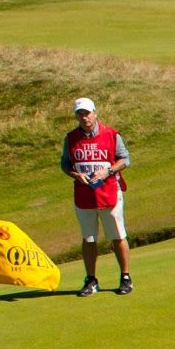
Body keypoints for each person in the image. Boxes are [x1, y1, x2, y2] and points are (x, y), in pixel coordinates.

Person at [61, 97, 133, 296]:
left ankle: (125, 277)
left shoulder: (110, 134)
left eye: (87, 113)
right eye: (80, 114)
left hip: (109, 192)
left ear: (95, 112)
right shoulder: (71, 138)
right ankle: (91, 280)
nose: (84, 118)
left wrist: (108, 171)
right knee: (89, 238)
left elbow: (125, 159)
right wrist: (75, 174)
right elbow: (65, 164)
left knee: (117, 235)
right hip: (84, 196)